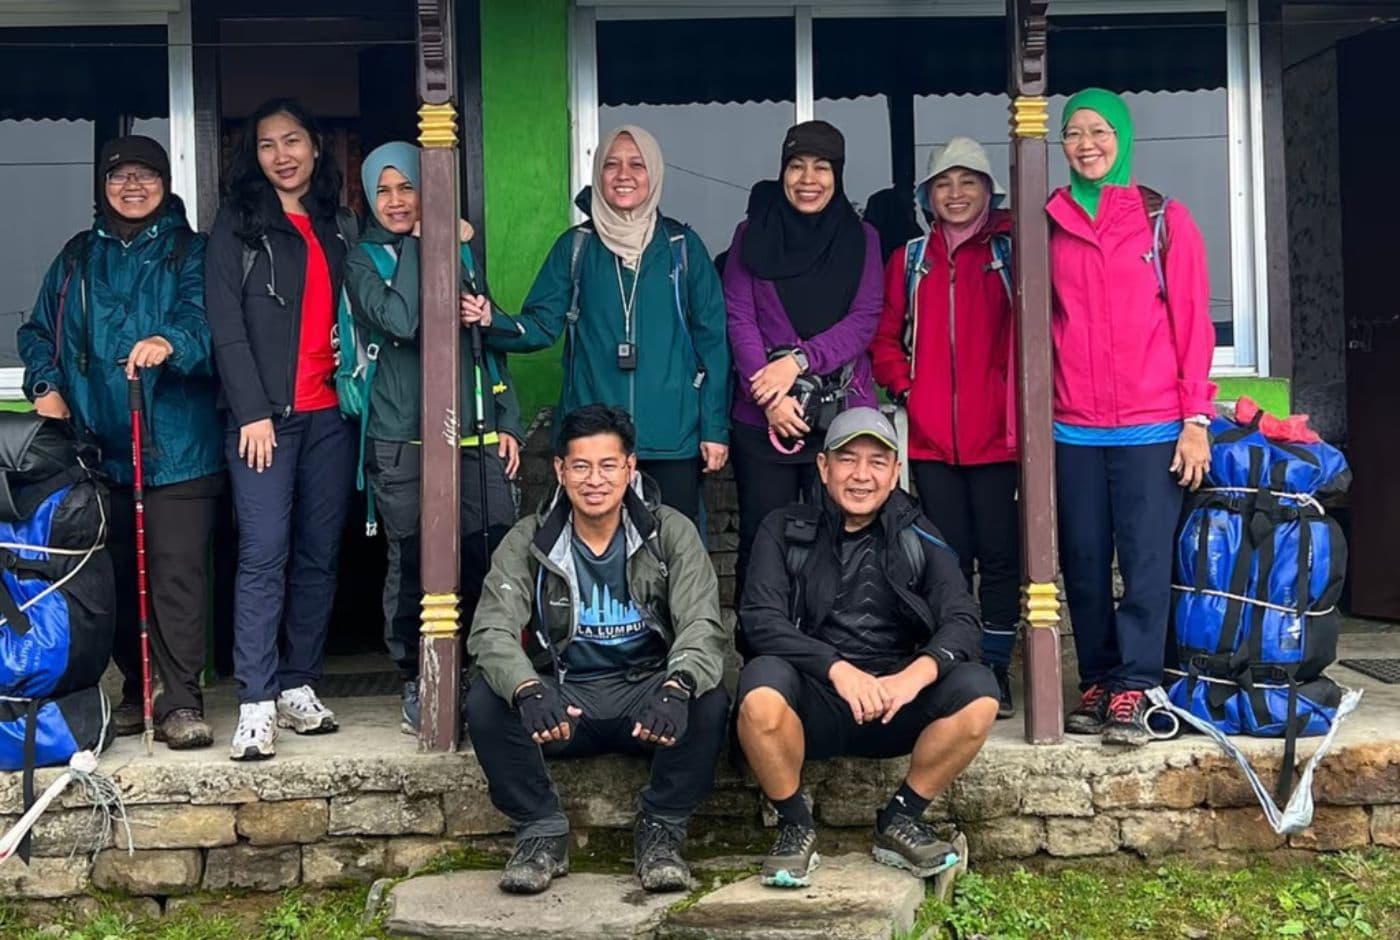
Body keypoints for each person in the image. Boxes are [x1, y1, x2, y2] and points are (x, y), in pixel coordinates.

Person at [464, 405, 730, 896]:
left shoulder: (670, 531)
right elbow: (490, 631)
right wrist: (526, 689)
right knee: (484, 699)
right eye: (581, 466)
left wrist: (677, 685)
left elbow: (703, 625)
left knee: (709, 697)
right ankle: (541, 831)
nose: (595, 480)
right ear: (561, 471)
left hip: (647, 701)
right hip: (565, 703)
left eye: (609, 465)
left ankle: (662, 831)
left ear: (631, 469)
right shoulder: (529, 538)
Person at [18, 135, 224, 750]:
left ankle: (181, 700)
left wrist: (172, 343)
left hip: (178, 448)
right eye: (119, 177)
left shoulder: (192, 249)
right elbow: (36, 333)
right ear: (103, 186)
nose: (132, 187)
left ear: (165, 184)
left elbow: (206, 321)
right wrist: (45, 384)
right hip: (95, 450)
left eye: (145, 176)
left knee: (175, 575)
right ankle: (139, 692)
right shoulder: (77, 257)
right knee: (110, 578)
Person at [735, 407, 999, 887]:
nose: (861, 475)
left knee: (979, 691)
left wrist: (913, 675)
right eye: (847, 460)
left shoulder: (919, 533)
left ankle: (900, 818)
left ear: (896, 471)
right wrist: (836, 669)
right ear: (823, 467)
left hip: (894, 703)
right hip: (814, 702)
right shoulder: (785, 529)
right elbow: (759, 621)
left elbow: (962, 620)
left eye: (877, 462)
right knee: (759, 689)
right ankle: (795, 826)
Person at [1050, 89, 1215, 746]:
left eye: (1099, 131)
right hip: (1072, 426)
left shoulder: (1164, 219)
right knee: (1084, 559)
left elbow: (1194, 324)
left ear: (1122, 137)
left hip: (1153, 425)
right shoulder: (1048, 221)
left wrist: (1196, 418)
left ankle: (1137, 684)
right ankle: (1096, 680)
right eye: (1074, 133)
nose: (1087, 144)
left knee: (1146, 561)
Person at [345, 141, 522, 734]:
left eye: (409, 187)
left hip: (474, 433)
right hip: (404, 438)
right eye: (384, 190)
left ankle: (486, 671)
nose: (397, 201)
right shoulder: (363, 261)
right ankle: (415, 678)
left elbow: (485, 335)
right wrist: (430, 240)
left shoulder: (461, 253)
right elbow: (404, 320)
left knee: (488, 555)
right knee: (415, 559)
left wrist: (510, 423)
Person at [205, 98, 357, 760]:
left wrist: (455, 234)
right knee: (263, 554)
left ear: (315, 148)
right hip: (266, 420)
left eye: (293, 140)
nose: (282, 155)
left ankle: (298, 683)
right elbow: (225, 326)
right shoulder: (238, 224)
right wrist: (253, 411)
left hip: (330, 415)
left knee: (319, 555)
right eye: (267, 145)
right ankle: (256, 700)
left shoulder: (339, 225)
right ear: (254, 156)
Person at [482, 126, 730, 527]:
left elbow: (714, 344)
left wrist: (714, 428)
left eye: (637, 165)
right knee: (592, 557)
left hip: (671, 438)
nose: (623, 175)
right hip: (592, 440)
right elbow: (541, 325)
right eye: (611, 165)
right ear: (597, 173)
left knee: (673, 556)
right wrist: (490, 320)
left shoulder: (682, 247)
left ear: (655, 175)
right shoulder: (576, 247)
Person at [870, 138, 1021, 719]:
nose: (956, 195)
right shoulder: (909, 260)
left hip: (998, 440)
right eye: (943, 184)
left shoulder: (1011, 251)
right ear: (926, 196)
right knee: (946, 560)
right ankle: (958, 667)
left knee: (1003, 558)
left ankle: (998, 670)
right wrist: (907, 389)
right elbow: (886, 339)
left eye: (969, 182)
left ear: (990, 190)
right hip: (931, 441)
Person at [722, 120, 884, 610]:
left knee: (842, 537)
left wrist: (798, 362)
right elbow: (739, 317)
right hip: (762, 420)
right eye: (796, 166)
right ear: (782, 171)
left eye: (821, 167)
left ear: (838, 175)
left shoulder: (862, 238)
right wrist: (770, 397)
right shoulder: (751, 236)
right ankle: (760, 656)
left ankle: (839, 649)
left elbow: (865, 318)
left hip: (840, 418)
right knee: (764, 538)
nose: (807, 178)